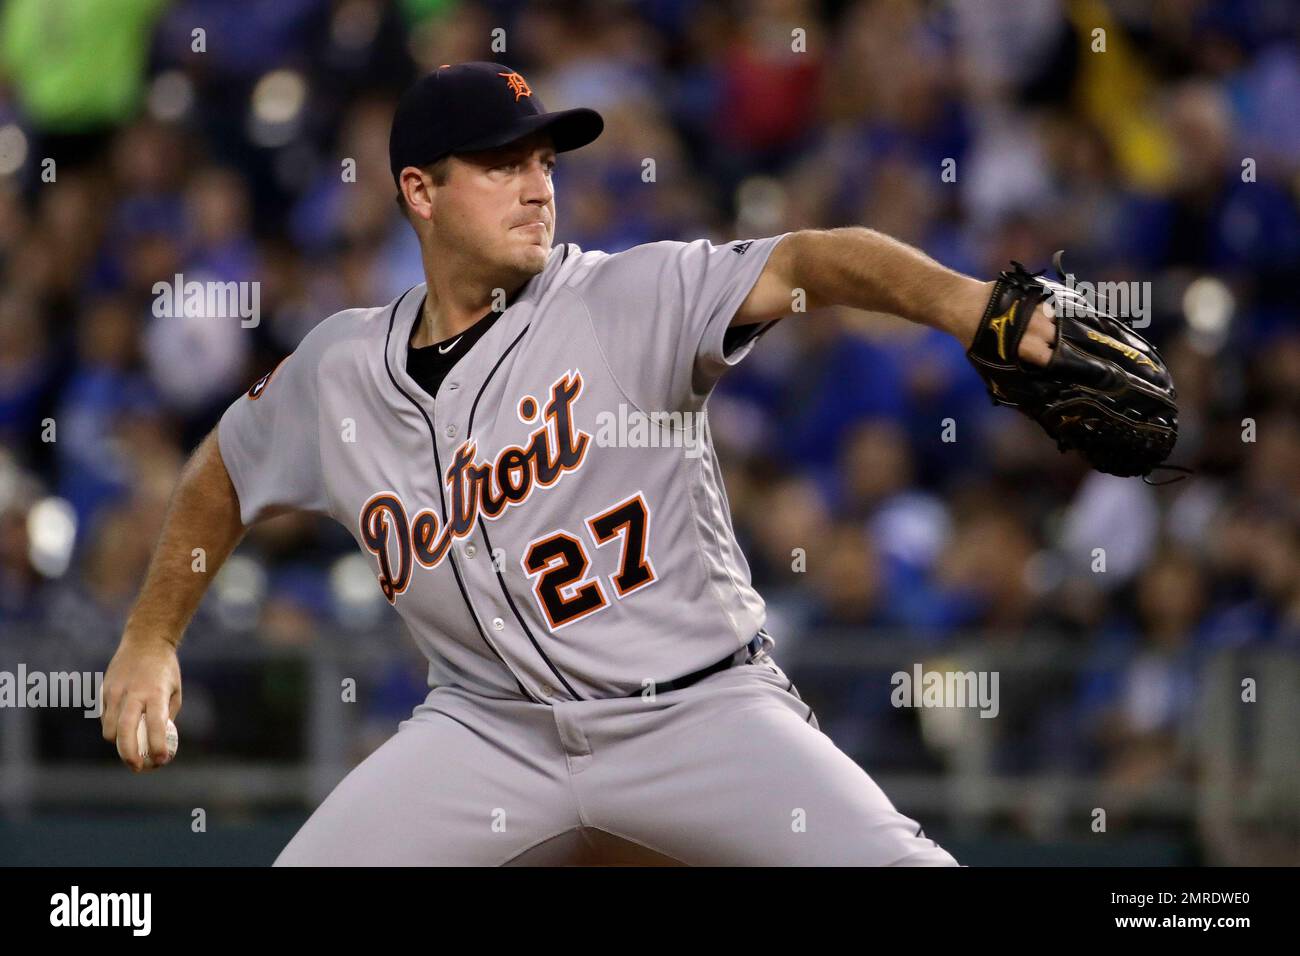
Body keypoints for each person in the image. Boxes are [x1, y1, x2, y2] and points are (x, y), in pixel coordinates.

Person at [101, 62, 1054, 865]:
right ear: (419, 193)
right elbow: (224, 469)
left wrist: (974, 307)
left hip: (696, 708)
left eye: (545, 160)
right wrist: (152, 636)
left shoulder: (627, 296)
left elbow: (811, 261)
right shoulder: (341, 369)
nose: (537, 184)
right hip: (484, 730)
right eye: (502, 163)